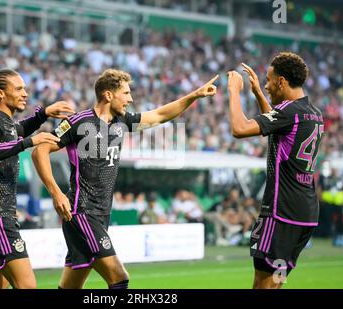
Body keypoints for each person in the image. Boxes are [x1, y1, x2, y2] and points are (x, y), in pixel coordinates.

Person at [32, 68, 217, 289]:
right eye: (126, 93)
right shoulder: (78, 122)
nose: (131, 99)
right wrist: (56, 192)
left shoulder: (122, 121)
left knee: (71, 286)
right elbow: (39, 150)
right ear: (108, 95)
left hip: (102, 213)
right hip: (82, 211)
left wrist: (194, 95)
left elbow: (159, 115)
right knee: (119, 278)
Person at [0, 68, 74, 289]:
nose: (25, 93)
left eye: (24, 88)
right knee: (27, 286)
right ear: (0, 93)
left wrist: (43, 114)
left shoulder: (4, 122)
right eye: (18, 88)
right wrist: (29, 143)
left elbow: (19, 129)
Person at [227, 53, 324, 289]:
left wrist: (233, 90)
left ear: (282, 81)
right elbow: (277, 126)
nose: (267, 85)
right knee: (276, 283)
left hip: (281, 211)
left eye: (269, 80)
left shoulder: (289, 112)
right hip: (305, 213)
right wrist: (258, 93)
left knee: (263, 284)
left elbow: (239, 129)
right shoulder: (312, 112)